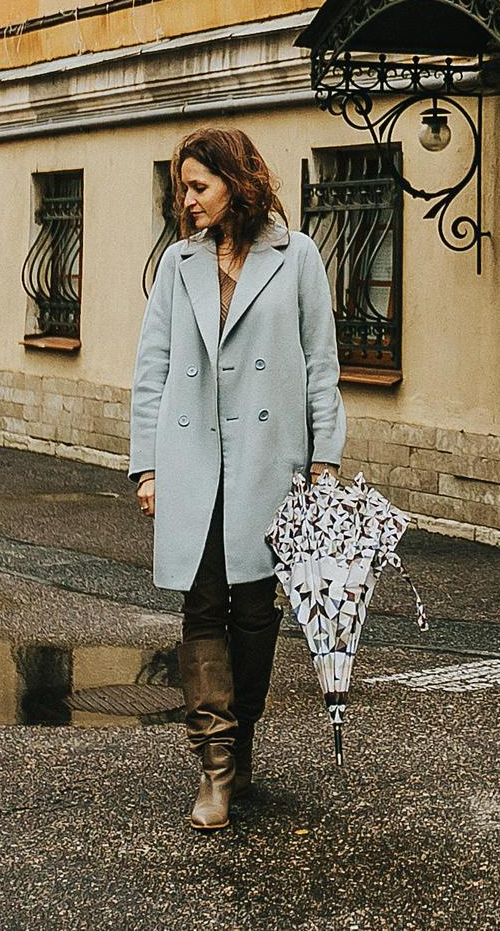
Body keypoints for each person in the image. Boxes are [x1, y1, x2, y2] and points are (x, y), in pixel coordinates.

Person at [129, 124, 346, 831]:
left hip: (268, 465)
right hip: (195, 464)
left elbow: (320, 367)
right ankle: (215, 764)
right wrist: (149, 466)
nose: (187, 200)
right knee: (202, 607)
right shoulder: (177, 265)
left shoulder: (297, 256)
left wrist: (323, 461)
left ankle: (242, 734)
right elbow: (151, 372)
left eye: (199, 186)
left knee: (255, 616)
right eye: (182, 188)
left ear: (237, 182)